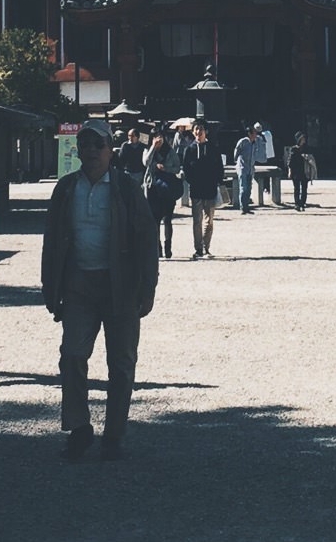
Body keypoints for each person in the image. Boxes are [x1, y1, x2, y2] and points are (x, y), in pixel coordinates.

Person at [41, 119, 159, 461]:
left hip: (120, 286)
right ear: (77, 150)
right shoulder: (65, 189)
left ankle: (114, 434)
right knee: (73, 354)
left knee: (121, 363)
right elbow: (51, 242)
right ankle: (79, 428)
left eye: (99, 145)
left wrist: (147, 287)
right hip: (79, 284)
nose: (91, 151)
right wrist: (51, 288)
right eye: (86, 144)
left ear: (111, 151)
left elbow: (147, 239)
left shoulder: (125, 188)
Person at [182, 123, 224, 258]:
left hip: (210, 188)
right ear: (193, 132)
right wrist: (191, 181)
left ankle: (206, 246)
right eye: (196, 129)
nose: (198, 132)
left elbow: (219, 167)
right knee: (196, 221)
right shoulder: (189, 150)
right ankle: (198, 248)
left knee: (209, 220)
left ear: (206, 131)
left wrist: (218, 180)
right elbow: (186, 168)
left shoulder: (213, 148)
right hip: (196, 189)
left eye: (201, 129)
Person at [143, 127, 184, 258]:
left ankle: (168, 246)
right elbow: (145, 162)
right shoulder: (148, 150)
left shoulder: (170, 151)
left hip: (167, 188)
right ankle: (157, 247)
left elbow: (177, 168)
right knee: (155, 221)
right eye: (155, 136)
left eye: (160, 136)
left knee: (167, 220)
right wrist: (153, 148)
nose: (158, 139)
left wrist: (166, 168)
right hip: (153, 188)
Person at [235, 122, 265, 213]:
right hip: (242, 167)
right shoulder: (243, 141)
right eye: (254, 133)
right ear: (250, 133)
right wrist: (236, 160)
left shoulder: (255, 142)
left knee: (249, 188)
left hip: (250, 168)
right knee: (243, 188)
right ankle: (242, 207)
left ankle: (247, 206)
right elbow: (237, 151)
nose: (256, 135)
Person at [286, 132, 315, 211]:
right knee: (296, 188)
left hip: (305, 170)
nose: (304, 140)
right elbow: (290, 161)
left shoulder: (307, 148)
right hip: (296, 171)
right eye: (302, 139)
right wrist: (290, 171)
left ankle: (303, 203)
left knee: (304, 188)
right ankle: (297, 203)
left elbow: (311, 159)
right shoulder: (294, 149)